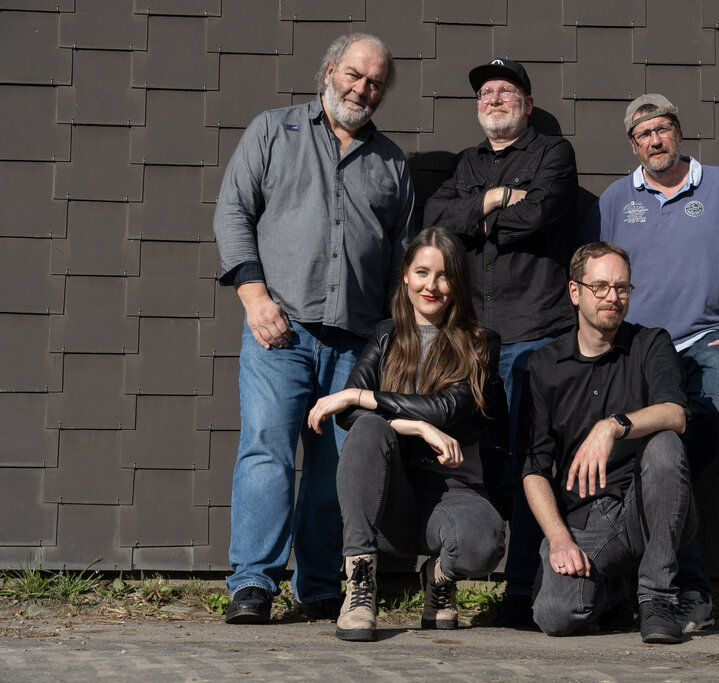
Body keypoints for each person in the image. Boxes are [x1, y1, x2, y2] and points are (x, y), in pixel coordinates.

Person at [213, 33, 416, 624]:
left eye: (375, 82)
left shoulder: (392, 162)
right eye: (354, 74)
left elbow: (402, 258)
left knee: (335, 471)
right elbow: (232, 211)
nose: (363, 89)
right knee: (266, 453)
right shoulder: (273, 131)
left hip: (356, 343)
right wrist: (254, 298)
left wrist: (389, 340)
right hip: (281, 329)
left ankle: (321, 585)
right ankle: (253, 582)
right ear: (330, 70)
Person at [581, 94, 719, 632]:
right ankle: (686, 590)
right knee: (666, 469)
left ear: (678, 132)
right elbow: (589, 273)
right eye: (644, 133)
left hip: (706, 339)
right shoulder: (613, 200)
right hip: (640, 349)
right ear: (633, 144)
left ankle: (656, 517)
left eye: (663, 128)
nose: (655, 139)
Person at [423, 58, 579, 626]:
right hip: (473, 340)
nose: (493, 99)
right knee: (479, 461)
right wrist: (491, 201)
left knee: (531, 461)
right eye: (486, 93)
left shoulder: (552, 154)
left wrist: (478, 218)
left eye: (505, 91)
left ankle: (520, 593)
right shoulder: (468, 164)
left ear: (527, 104)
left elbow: (540, 215)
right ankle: (460, 574)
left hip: (535, 331)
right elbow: (435, 222)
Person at [307, 227, 506, 642]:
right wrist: (414, 425)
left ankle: (439, 576)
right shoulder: (385, 336)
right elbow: (350, 420)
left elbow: (450, 408)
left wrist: (360, 394)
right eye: (422, 272)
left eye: (444, 275)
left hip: (452, 492)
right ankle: (360, 582)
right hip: (390, 501)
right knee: (368, 428)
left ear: (458, 283)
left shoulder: (481, 343)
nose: (431, 286)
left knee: (483, 545)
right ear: (405, 274)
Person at [520, 242, 697, 643]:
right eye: (599, 287)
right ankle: (616, 589)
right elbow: (533, 468)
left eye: (621, 287)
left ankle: (657, 600)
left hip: (648, 506)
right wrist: (560, 540)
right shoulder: (544, 366)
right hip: (586, 521)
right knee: (556, 615)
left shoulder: (650, 344)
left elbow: (676, 413)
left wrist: (611, 426)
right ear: (574, 292)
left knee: (665, 443)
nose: (612, 297)